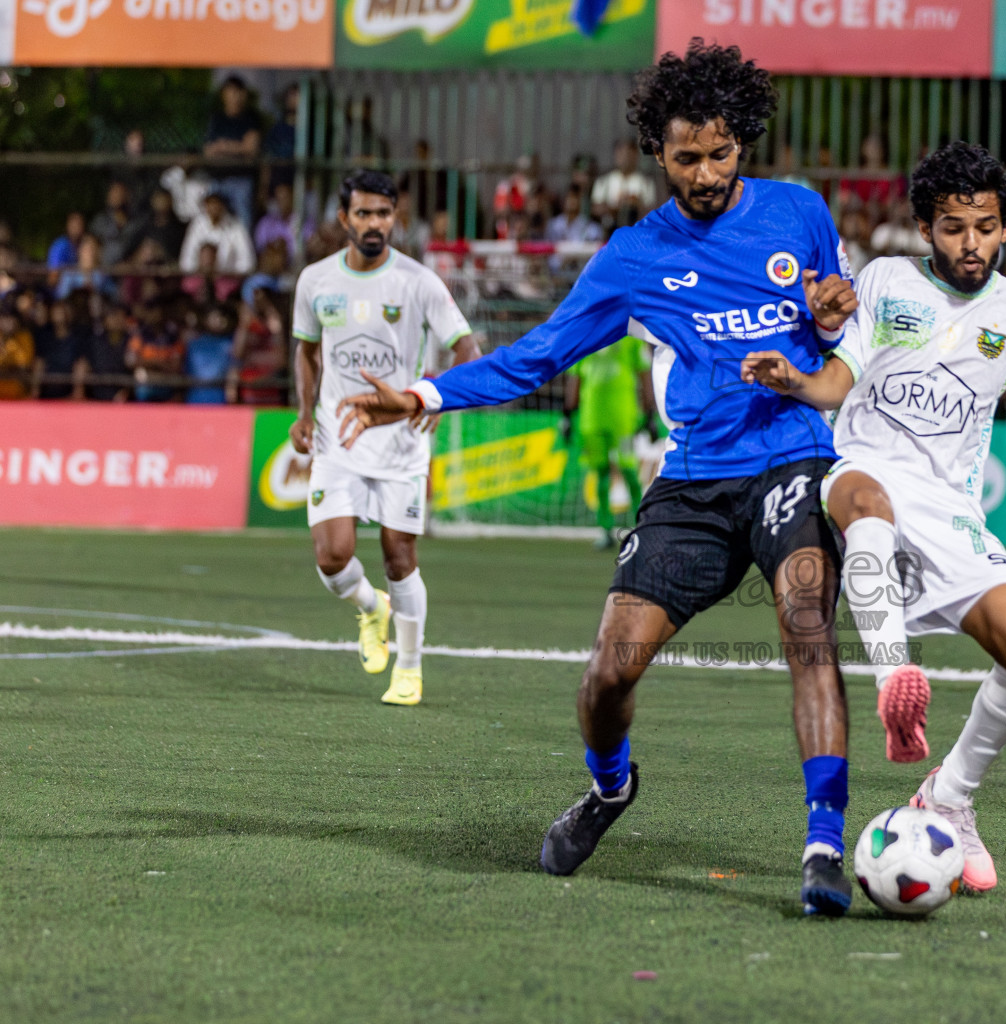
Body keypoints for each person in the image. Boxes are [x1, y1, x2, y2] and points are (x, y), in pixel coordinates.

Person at [334, 42, 862, 916]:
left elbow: (837, 317)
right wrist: (422, 392)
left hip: (793, 456)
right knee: (607, 677)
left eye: (721, 153)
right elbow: (535, 356)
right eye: (686, 156)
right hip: (693, 482)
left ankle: (823, 844)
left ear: (745, 143)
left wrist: (835, 312)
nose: (705, 173)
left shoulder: (799, 213)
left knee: (807, 623)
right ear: (657, 151)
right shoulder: (632, 257)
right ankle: (611, 788)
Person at [739, 142, 1006, 893]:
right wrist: (795, 379)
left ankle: (950, 796)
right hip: (860, 464)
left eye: (984, 226)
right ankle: (896, 681)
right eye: (953, 227)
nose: (970, 243)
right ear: (925, 227)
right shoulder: (884, 281)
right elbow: (836, 383)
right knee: (864, 499)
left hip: (950, 505)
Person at [289, 169, 480, 707]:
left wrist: (441, 393)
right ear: (344, 218)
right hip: (338, 436)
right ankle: (372, 607)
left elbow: (467, 349)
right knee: (332, 557)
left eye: (384, 213)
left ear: (396, 217)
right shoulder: (315, 281)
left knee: (399, 556)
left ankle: (411, 669)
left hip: (400, 440)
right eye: (365, 213)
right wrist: (304, 412)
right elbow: (306, 350)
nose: (375, 223)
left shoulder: (419, 282)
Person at [565, 334, 649, 549]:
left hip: (623, 418)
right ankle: (605, 529)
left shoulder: (632, 338)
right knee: (600, 473)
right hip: (591, 418)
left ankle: (643, 527)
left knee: (629, 469)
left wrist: (649, 413)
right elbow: (575, 377)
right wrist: (566, 413)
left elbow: (644, 373)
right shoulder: (585, 337)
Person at [203, 75, 263, 227]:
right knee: (210, 222)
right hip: (218, 179)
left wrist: (223, 146)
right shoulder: (216, 119)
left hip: (240, 180)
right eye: (230, 92)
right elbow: (208, 150)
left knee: (243, 222)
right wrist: (236, 147)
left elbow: (251, 148)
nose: (234, 96)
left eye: (237, 92)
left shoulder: (250, 119)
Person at [180, 191, 255, 275]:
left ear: (223, 206)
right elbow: (188, 256)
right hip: (199, 276)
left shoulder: (236, 226)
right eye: (210, 205)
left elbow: (246, 259)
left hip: (227, 277)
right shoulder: (197, 225)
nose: (213, 208)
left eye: (216, 204)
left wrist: (233, 276)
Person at [591, 139, 657, 230]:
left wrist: (635, 204)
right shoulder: (604, 181)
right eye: (621, 154)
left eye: (629, 154)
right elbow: (595, 208)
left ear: (636, 156)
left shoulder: (645, 182)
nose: (625, 158)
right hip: (609, 229)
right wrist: (614, 208)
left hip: (636, 229)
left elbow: (651, 209)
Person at [90, 181, 140, 268]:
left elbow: (139, 249)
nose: (116, 196)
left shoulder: (135, 223)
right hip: (104, 270)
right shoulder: (100, 221)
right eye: (113, 193)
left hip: (130, 271)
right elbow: (92, 246)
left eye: (119, 193)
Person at [0, 302, 35, 400]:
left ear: (16, 321)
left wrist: (9, 345)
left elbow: (24, 362)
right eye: (3, 318)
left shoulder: (24, 337)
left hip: (17, 392)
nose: (6, 322)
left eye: (10, 319)